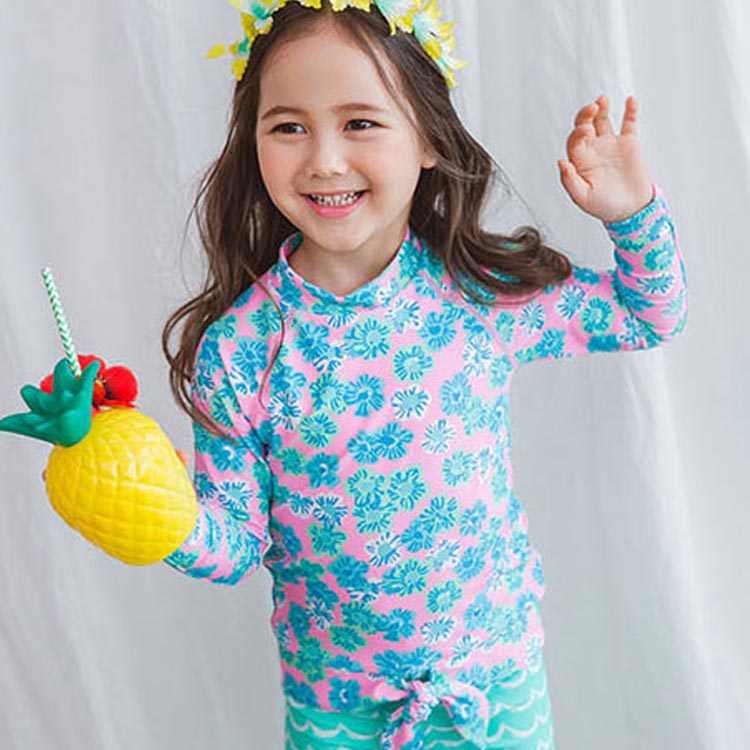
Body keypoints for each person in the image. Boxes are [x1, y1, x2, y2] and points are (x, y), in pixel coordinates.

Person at [160, 1, 689, 748]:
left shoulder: (476, 297)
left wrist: (631, 214)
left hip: (492, 686)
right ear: (254, 144)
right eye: (288, 127)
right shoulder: (240, 350)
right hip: (336, 707)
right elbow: (230, 548)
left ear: (429, 139)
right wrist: (144, 504)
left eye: (360, 122)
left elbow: (648, 314)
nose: (324, 160)